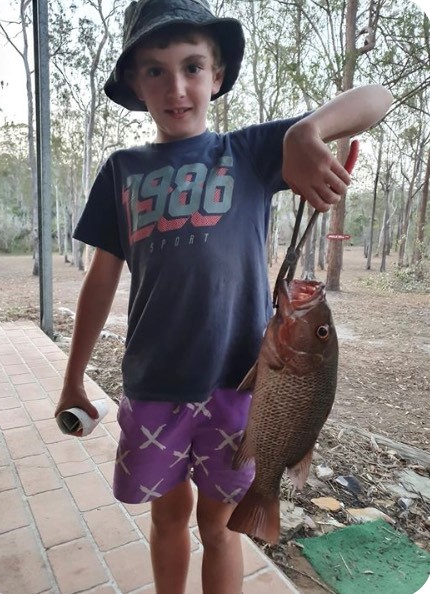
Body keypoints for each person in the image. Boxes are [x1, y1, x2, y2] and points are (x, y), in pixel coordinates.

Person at [55, 0, 393, 592]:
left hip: (239, 388)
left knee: (220, 526)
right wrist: (72, 376)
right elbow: (101, 280)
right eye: (155, 70)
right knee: (167, 519)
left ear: (217, 76)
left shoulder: (252, 153)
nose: (177, 85)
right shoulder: (121, 170)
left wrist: (305, 131)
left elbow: (377, 97)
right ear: (135, 83)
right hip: (154, 384)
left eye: (192, 66)